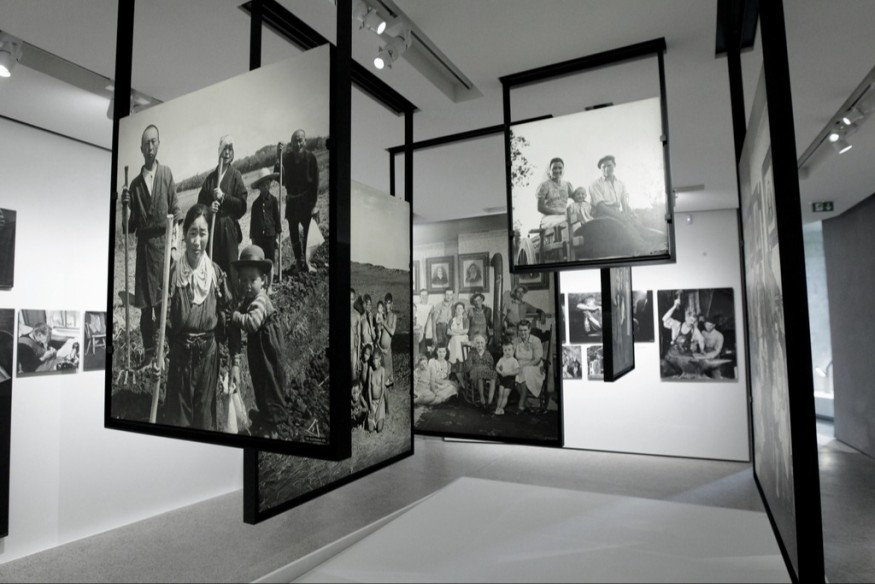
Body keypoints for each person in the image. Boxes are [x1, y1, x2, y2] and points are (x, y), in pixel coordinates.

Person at [162, 204, 240, 431]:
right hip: (180, 360)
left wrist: (235, 362)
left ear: (208, 235)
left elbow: (231, 318)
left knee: (205, 423)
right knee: (178, 423)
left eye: (202, 233)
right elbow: (162, 318)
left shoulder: (216, 274)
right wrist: (159, 355)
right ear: (185, 235)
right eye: (192, 233)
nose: (197, 241)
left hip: (208, 359)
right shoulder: (173, 274)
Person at [122, 124, 183, 366]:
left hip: (163, 247)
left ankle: (166, 351)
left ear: (158, 144)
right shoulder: (135, 185)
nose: (149, 147)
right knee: (146, 307)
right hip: (144, 251)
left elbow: (176, 212)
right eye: (146, 143)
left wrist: (174, 247)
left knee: (163, 303)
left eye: (153, 142)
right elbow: (130, 226)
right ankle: (149, 354)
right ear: (140, 149)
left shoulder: (166, 174)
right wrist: (125, 208)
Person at [229, 245, 288, 439]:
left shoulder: (260, 299)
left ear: (263, 280)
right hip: (260, 347)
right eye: (243, 280)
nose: (247, 285)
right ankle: (265, 416)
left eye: (252, 280)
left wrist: (236, 317)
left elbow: (253, 323)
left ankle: (272, 427)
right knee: (260, 380)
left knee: (269, 381)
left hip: (267, 347)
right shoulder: (250, 297)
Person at [197, 134, 248, 279]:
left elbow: (242, 205)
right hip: (213, 231)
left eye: (230, 149)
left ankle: (233, 293)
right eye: (224, 149)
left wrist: (223, 197)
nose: (227, 153)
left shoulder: (236, 175)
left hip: (229, 230)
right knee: (213, 269)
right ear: (219, 151)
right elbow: (199, 207)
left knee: (231, 269)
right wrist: (208, 209)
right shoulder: (210, 179)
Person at [276, 129, 320, 273]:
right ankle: (298, 262)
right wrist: (278, 156)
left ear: (305, 142)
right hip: (292, 202)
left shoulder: (311, 158)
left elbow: (315, 184)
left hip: (306, 202)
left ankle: (307, 262)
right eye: (295, 141)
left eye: (300, 140)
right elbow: (280, 179)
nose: (298, 144)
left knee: (308, 232)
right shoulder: (286, 158)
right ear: (291, 143)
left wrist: (314, 205)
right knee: (293, 233)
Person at [248, 168, 281, 281]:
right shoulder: (255, 204)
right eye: (263, 185)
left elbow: (277, 219)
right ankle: (263, 282)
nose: (266, 187)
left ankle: (270, 284)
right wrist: (253, 238)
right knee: (260, 260)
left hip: (270, 235)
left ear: (270, 184)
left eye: (267, 184)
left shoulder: (273, 200)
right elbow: (253, 222)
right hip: (259, 238)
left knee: (270, 260)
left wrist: (277, 237)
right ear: (259, 187)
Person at [661, 295, 705, 378]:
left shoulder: (694, 330)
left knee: (691, 373)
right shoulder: (677, 325)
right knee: (665, 371)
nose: (692, 322)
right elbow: (664, 319)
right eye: (690, 320)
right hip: (673, 355)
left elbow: (701, 339)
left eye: (694, 321)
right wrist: (674, 306)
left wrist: (702, 350)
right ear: (686, 318)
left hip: (685, 357)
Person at [514, 320, 545, 413]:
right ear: (518, 330)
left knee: (524, 371)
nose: (522, 333)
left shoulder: (535, 341)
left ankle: (521, 404)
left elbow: (537, 359)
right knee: (515, 374)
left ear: (529, 330)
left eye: (525, 330)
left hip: (534, 366)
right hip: (520, 366)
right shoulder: (516, 341)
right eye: (520, 330)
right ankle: (526, 402)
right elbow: (511, 355)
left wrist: (524, 366)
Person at [536, 157, 573, 233]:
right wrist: (558, 212)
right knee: (564, 223)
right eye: (554, 168)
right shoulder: (545, 185)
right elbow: (540, 207)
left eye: (560, 168)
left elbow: (577, 198)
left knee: (576, 222)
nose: (557, 171)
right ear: (549, 170)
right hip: (549, 217)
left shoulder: (567, 185)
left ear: (563, 169)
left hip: (564, 215)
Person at [465, 334, 496, 410]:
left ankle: (489, 402)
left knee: (494, 375)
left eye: (482, 342)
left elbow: (491, 364)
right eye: (478, 343)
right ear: (475, 344)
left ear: (485, 344)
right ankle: (482, 400)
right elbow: (468, 366)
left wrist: (487, 369)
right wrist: (474, 368)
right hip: (475, 371)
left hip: (485, 370)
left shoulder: (487, 353)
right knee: (480, 375)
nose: (480, 344)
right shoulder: (471, 353)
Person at [494, 341, 520, 416]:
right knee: (500, 394)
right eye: (505, 350)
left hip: (510, 380)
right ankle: (498, 407)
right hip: (503, 378)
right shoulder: (502, 359)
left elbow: (517, 371)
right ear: (503, 351)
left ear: (513, 351)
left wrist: (508, 373)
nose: (507, 352)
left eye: (509, 350)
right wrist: (500, 372)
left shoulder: (514, 360)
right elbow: (497, 367)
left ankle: (501, 408)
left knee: (505, 395)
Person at [367, 349, 388, 433]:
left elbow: (383, 389)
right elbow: (369, 388)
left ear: (380, 358)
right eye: (373, 359)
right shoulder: (370, 369)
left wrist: (378, 409)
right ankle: (373, 419)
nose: (374, 361)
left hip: (380, 402)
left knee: (379, 429)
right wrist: (371, 407)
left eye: (376, 359)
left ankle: (383, 413)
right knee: (370, 429)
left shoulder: (382, 370)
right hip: (372, 402)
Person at [379, 293, 397, 387]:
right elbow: (382, 330)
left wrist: (384, 323)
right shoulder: (384, 315)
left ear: (392, 303)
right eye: (385, 303)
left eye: (389, 303)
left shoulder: (394, 316)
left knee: (388, 368)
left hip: (387, 346)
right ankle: (387, 381)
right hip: (381, 347)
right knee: (383, 367)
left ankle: (389, 381)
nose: (387, 305)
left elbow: (392, 332)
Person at [447, 301, 469, 367]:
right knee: (455, 340)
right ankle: (454, 362)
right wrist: (459, 332)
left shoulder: (465, 320)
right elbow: (448, 332)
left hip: (463, 338)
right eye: (457, 308)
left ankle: (461, 362)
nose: (459, 310)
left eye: (461, 308)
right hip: (454, 338)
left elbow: (465, 331)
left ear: (463, 310)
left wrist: (454, 331)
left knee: (457, 340)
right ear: (455, 310)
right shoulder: (452, 320)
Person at [413, 289, 433, 360]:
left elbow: (431, 320)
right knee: (417, 352)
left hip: (426, 332)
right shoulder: (416, 306)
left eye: (425, 295)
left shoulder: (431, 306)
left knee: (424, 353)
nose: (424, 297)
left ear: (428, 296)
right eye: (422, 295)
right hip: (417, 332)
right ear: (419, 296)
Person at [351, 288, 361, 375]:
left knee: (353, 375)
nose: (350, 302)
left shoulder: (357, 315)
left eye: (352, 299)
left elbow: (359, 337)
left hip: (353, 351)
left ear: (354, 300)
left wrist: (358, 359)